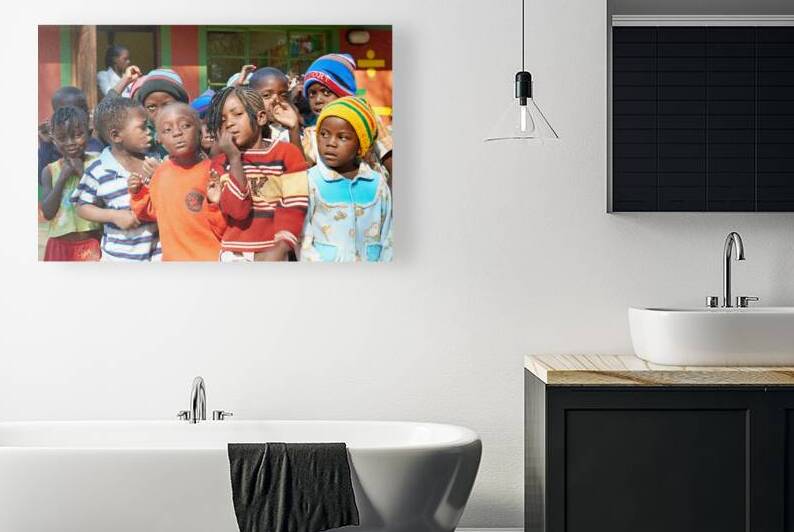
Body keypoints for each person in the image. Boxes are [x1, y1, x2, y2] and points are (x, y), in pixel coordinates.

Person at [206, 86, 308, 262]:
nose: (229, 123)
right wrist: (235, 160)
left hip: (275, 252)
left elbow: (295, 205)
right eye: (223, 120)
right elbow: (237, 211)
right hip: (234, 254)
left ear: (260, 118)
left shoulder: (286, 154)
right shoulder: (222, 162)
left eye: (237, 114)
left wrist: (281, 247)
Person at [129, 103, 226, 261]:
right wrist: (138, 193)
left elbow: (226, 226)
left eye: (185, 126)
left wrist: (214, 204)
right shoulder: (161, 173)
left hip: (209, 260)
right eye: (167, 130)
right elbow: (153, 211)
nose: (177, 133)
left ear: (200, 131)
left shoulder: (213, 173)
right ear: (159, 139)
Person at [301, 96, 392, 262]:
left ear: (360, 146)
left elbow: (388, 236)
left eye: (342, 137)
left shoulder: (377, 184)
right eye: (324, 134)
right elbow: (303, 239)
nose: (331, 143)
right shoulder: (310, 181)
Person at [72, 97, 160, 262]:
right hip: (118, 259)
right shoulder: (99, 170)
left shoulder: (155, 161)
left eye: (149, 126)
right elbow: (81, 207)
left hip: (158, 258)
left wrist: (160, 175)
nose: (149, 132)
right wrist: (113, 216)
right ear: (116, 135)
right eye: (142, 127)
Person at [301, 54, 393, 181]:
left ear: (344, 94)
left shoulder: (368, 121)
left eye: (326, 92)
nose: (318, 100)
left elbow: (390, 160)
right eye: (312, 94)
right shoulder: (312, 134)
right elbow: (302, 171)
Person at [39, 106, 102, 261]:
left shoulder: (98, 164)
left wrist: (82, 173)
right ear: (53, 140)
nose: (70, 143)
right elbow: (48, 213)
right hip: (59, 247)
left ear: (89, 133)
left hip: (91, 244)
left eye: (77, 135)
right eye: (62, 138)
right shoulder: (49, 171)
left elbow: (103, 204)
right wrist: (62, 178)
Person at [38, 87, 104, 196]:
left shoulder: (95, 150)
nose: (75, 115)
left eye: (83, 109)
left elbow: (103, 195)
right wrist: (46, 144)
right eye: (67, 112)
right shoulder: (54, 146)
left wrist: (82, 172)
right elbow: (42, 180)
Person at [247, 67, 302, 150]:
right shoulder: (244, 131)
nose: (276, 101)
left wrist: (294, 129)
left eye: (283, 95)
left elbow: (298, 158)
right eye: (266, 95)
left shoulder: (286, 134)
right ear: (250, 99)